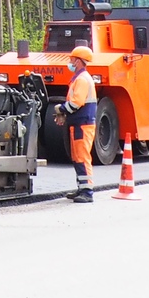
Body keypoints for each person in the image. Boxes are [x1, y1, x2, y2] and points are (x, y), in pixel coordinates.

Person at [55, 45, 97, 203]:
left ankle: (87, 192)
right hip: (79, 123)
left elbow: (76, 102)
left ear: (78, 61)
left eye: (72, 59)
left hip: (83, 124)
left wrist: (61, 109)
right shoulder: (80, 78)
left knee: (82, 157)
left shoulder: (82, 79)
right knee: (77, 157)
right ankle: (82, 187)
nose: (70, 62)